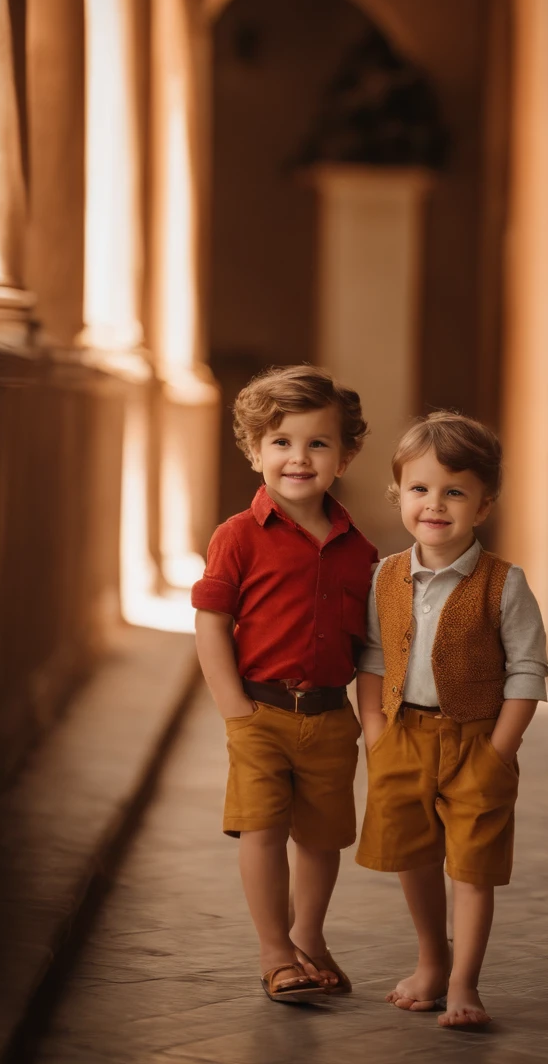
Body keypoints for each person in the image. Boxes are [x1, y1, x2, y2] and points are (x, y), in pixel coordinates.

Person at [355, 410, 548, 1028]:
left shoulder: (504, 584)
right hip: (402, 734)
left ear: (483, 504)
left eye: (454, 491)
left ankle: (465, 981)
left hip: (476, 742)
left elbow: (527, 670)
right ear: (400, 495)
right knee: (413, 854)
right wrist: (375, 733)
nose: (434, 504)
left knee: (471, 865)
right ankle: (431, 959)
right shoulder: (385, 576)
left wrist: (500, 748)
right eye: (420, 488)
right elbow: (375, 657)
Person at [191, 365, 377, 1004]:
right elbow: (212, 621)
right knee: (262, 830)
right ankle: (275, 952)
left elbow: (371, 646)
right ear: (254, 451)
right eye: (281, 442)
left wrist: (373, 719)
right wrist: (233, 710)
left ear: (345, 455)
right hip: (261, 712)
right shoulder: (237, 537)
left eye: (318, 444)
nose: (299, 458)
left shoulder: (362, 552)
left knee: (322, 837)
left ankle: (310, 937)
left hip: (330, 717)